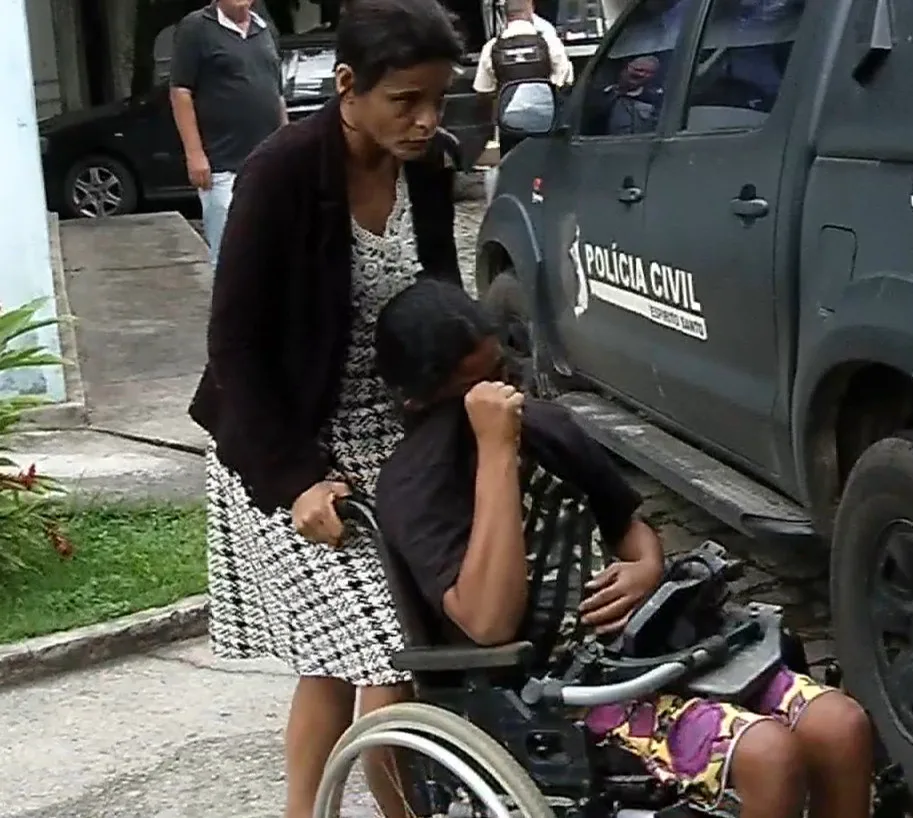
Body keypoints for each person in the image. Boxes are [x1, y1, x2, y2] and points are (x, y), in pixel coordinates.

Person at [373, 279, 876, 818]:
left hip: (649, 648)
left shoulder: (547, 428)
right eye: (477, 390)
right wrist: (495, 452)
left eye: (501, 375)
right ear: (420, 400)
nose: (500, 397)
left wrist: (645, 565)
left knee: (840, 726)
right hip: (554, 695)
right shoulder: (415, 486)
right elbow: (488, 622)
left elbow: (628, 525)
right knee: (768, 756)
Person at [186, 0, 465, 816]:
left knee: (339, 657)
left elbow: (443, 305)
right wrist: (297, 476)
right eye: (404, 101)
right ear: (347, 86)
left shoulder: (429, 166)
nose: (425, 120)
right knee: (383, 652)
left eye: (438, 100)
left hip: (394, 444)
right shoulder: (282, 174)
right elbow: (233, 345)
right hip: (284, 447)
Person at [169, 0, 288, 270]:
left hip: (269, 165)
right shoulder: (196, 27)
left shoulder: (265, 29)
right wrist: (195, 154)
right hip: (223, 166)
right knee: (231, 259)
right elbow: (181, 92)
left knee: (273, 252)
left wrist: (287, 144)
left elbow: (276, 95)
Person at [475, 0, 572, 157]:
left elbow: (483, 91)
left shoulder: (491, 47)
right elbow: (566, 81)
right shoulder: (549, 42)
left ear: (506, 16)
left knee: (512, 167)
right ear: (531, 10)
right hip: (546, 121)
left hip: (509, 124)